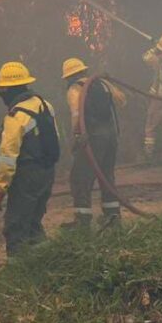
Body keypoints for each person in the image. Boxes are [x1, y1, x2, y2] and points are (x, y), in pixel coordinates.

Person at [0, 61, 60, 256]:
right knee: (34, 222)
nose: (0, 93)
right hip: (47, 172)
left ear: (8, 90)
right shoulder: (45, 105)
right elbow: (55, 137)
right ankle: (44, 261)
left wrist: (1, 187)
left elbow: (8, 156)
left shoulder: (15, 116)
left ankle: (17, 268)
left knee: (16, 226)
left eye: (2, 89)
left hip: (27, 176)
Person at [61, 57, 126, 229]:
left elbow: (76, 116)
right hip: (111, 136)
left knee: (80, 177)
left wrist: (76, 137)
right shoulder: (102, 83)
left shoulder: (75, 89)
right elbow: (121, 100)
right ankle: (113, 216)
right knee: (106, 175)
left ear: (68, 76)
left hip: (92, 138)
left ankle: (82, 221)